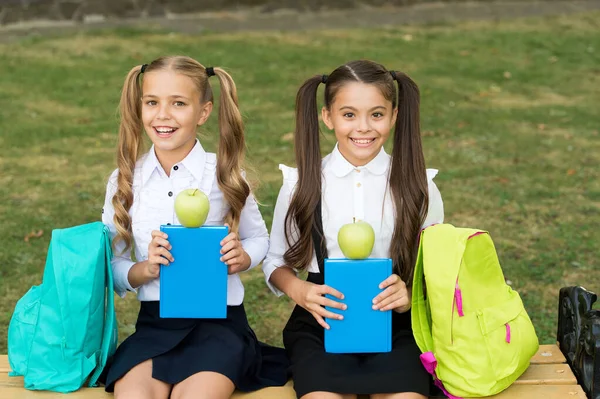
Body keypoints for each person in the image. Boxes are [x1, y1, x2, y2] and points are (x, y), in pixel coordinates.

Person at [101, 56, 288, 399]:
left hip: (220, 327)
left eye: (179, 104)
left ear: (203, 112)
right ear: (140, 106)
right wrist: (145, 269)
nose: (163, 115)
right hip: (154, 326)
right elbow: (112, 266)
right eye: (152, 102)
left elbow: (259, 238)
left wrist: (242, 257)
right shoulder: (126, 182)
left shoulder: (225, 176)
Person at [262, 59, 444, 399]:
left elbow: (435, 267)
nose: (363, 127)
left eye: (376, 114)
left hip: (395, 323)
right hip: (322, 323)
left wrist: (409, 294)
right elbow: (275, 262)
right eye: (349, 115)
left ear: (394, 116)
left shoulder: (419, 186)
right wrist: (299, 292)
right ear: (328, 117)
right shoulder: (301, 183)